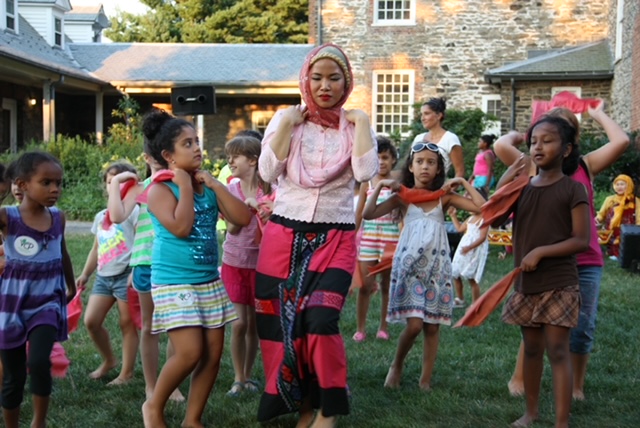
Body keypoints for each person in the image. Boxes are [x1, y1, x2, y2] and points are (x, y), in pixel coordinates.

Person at [256, 43, 378, 427]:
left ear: (347, 83)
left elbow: (365, 173)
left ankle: (329, 408)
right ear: (306, 80)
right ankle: (303, 406)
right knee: (283, 324)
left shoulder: (355, 126)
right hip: (283, 235)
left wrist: (362, 123)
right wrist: (287, 125)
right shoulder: (286, 120)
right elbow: (267, 171)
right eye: (317, 77)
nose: (325, 86)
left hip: (335, 237)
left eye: (334, 78)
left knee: (321, 319)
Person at [495, 101, 629, 400]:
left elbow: (621, 141)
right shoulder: (533, 163)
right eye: (539, 135)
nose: (542, 143)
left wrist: (597, 113)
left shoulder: (586, 165)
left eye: (558, 129)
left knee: (582, 326)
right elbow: (501, 146)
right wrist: (518, 135)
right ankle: (520, 378)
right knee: (535, 321)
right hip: (543, 261)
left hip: (584, 259)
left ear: (569, 141)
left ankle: (576, 386)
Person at [140, 108, 251, 428]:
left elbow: (242, 218)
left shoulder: (208, 186)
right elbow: (181, 228)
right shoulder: (160, 189)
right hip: (174, 282)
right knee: (189, 352)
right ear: (168, 156)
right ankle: (153, 407)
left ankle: (192, 419)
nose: (197, 148)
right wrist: (185, 185)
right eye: (187, 144)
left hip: (208, 281)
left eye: (197, 141)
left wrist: (215, 184)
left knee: (212, 354)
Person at [362, 143, 485, 390]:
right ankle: (396, 365)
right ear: (410, 167)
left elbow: (482, 208)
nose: (425, 167)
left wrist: (462, 181)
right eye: (419, 162)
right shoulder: (402, 197)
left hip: (436, 269)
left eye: (431, 162)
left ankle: (425, 380)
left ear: (439, 169)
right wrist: (382, 185)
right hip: (410, 268)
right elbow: (368, 213)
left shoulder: (444, 197)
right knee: (415, 325)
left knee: (432, 326)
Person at [494, 116, 590, 428]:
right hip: (527, 284)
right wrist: (506, 178)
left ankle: (561, 422)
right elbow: (494, 217)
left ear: (566, 149)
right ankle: (531, 412)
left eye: (547, 141)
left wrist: (541, 251)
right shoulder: (522, 189)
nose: (538, 147)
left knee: (558, 351)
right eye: (534, 141)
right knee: (532, 350)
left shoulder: (573, 189)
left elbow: (581, 239)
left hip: (560, 283)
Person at [0, 152, 76, 428]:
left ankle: (38, 423)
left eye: (58, 183)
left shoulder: (58, 218)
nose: (55, 189)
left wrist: (70, 284)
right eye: (46, 182)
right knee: (13, 376)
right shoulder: (7, 217)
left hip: (46, 303)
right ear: (22, 184)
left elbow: (62, 252)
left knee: (40, 362)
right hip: (12, 306)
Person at [106, 150, 184, 401]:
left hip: (173, 263)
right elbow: (117, 216)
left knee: (175, 326)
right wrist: (116, 183)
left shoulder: (180, 183)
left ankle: (171, 385)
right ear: (146, 157)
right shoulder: (140, 187)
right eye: (155, 153)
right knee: (150, 327)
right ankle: (151, 386)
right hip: (145, 263)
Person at [77, 162, 140, 385]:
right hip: (104, 277)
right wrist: (85, 274)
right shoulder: (101, 216)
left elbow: (141, 242)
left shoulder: (134, 211)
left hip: (126, 274)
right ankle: (109, 360)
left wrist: (135, 270)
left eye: (120, 181)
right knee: (91, 321)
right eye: (110, 181)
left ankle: (126, 373)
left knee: (127, 323)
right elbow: (96, 248)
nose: (114, 185)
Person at [221, 135, 273, 397]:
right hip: (234, 262)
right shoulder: (230, 191)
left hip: (262, 264)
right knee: (239, 323)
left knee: (254, 325)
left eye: (235, 157)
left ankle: (249, 375)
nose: (230, 161)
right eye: (228, 157)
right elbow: (231, 228)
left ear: (253, 160)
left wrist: (266, 210)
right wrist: (245, 208)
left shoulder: (271, 191)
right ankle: (237, 378)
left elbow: (276, 228)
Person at [353, 135, 400, 342]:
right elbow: (359, 212)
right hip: (369, 239)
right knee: (365, 285)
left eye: (385, 157)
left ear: (393, 160)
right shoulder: (367, 182)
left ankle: (383, 327)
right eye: (378, 158)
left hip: (391, 239)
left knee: (387, 285)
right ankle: (360, 328)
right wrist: (351, 236)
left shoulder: (397, 184)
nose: (381, 162)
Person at [448, 204, 489, 307]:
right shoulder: (470, 219)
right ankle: (460, 299)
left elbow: (482, 237)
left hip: (474, 251)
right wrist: (453, 216)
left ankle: (475, 304)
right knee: (455, 273)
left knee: (471, 278)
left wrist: (470, 247)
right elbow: (459, 228)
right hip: (463, 248)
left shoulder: (484, 220)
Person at [412, 97, 465, 178]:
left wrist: (450, 186)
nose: (422, 118)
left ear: (439, 116)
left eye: (426, 114)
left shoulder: (450, 139)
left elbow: (460, 171)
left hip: (439, 184)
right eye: (421, 114)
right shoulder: (418, 138)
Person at [596, 174, 639, 260]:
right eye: (617, 184)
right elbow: (602, 214)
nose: (619, 187)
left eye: (622, 184)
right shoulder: (610, 199)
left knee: (627, 246)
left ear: (629, 185)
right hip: (612, 231)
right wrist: (597, 220)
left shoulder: (635, 200)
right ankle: (611, 252)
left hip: (628, 231)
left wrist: (637, 229)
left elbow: (639, 216)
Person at [469, 134, 496, 198]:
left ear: (485, 143)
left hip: (484, 178)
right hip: (478, 178)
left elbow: (490, 169)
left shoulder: (488, 154)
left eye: (480, 141)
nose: (478, 143)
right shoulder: (480, 152)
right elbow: (476, 166)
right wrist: (471, 178)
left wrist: (487, 184)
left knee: (480, 197)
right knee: (472, 196)